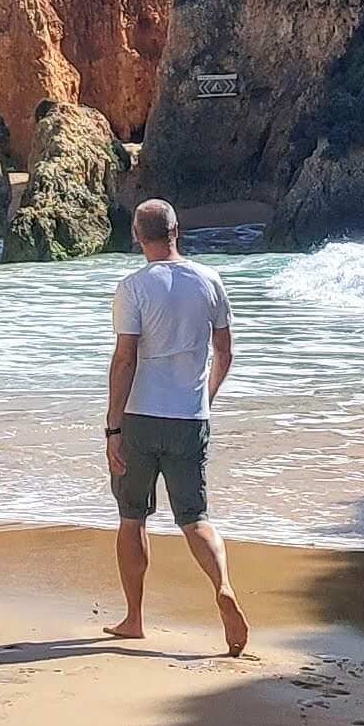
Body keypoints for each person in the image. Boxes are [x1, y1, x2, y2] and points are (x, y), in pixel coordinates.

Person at [102, 199, 248, 656]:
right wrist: (205, 398)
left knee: (131, 518)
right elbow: (225, 352)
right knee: (195, 518)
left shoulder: (133, 286)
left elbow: (125, 359)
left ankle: (134, 619)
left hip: (140, 417)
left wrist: (112, 426)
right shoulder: (210, 279)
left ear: (137, 235)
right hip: (189, 418)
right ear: (176, 231)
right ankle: (222, 586)